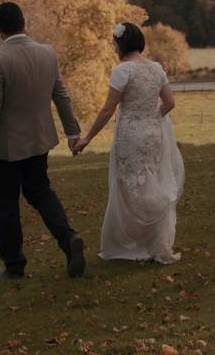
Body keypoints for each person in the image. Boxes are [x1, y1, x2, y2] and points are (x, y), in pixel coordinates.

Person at [0, 2, 86, 279]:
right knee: (41, 192)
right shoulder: (47, 53)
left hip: (5, 148)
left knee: (5, 205)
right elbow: (61, 96)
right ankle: (68, 239)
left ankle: (14, 266)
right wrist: (72, 133)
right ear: (23, 22)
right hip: (38, 141)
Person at [73, 22, 184, 264]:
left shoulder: (122, 71)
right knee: (151, 184)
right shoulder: (156, 69)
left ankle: (135, 245)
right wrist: (152, 117)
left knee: (129, 190)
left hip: (130, 137)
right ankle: (156, 244)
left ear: (121, 44)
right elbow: (170, 103)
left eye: (115, 43)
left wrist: (87, 138)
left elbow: (107, 110)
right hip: (153, 134)